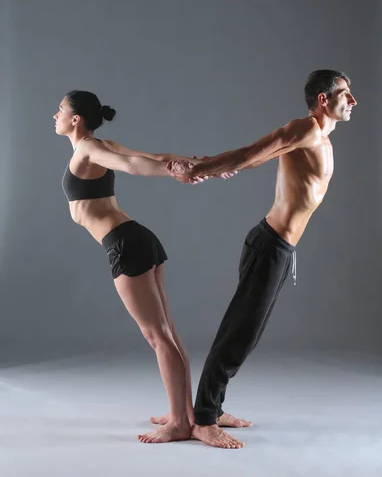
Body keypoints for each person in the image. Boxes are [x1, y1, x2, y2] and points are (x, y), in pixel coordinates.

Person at [168, 69, 357, 448]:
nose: (353, 101)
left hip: (281, 249)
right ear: (324, 99)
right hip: (269, 245)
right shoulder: (306, 128)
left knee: (246, 335)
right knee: (240, 332)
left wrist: (219, 165)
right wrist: (202, 168)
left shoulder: (322, 140)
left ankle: (213, 407)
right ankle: (204, 420)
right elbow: (255, 150)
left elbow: (258, 159)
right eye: (345, 94)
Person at [54, 90, 233, 444]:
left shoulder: (90, 148)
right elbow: (155, 156)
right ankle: (184, 411)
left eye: (59, 110)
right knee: (166, 333)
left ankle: (180, 424)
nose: (54, 115)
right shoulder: (96, 146)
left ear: (76, 119)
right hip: (136, 239)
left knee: (157, 336)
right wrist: (195, 166)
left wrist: (180, 171)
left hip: (125, 244)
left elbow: (137, 164)